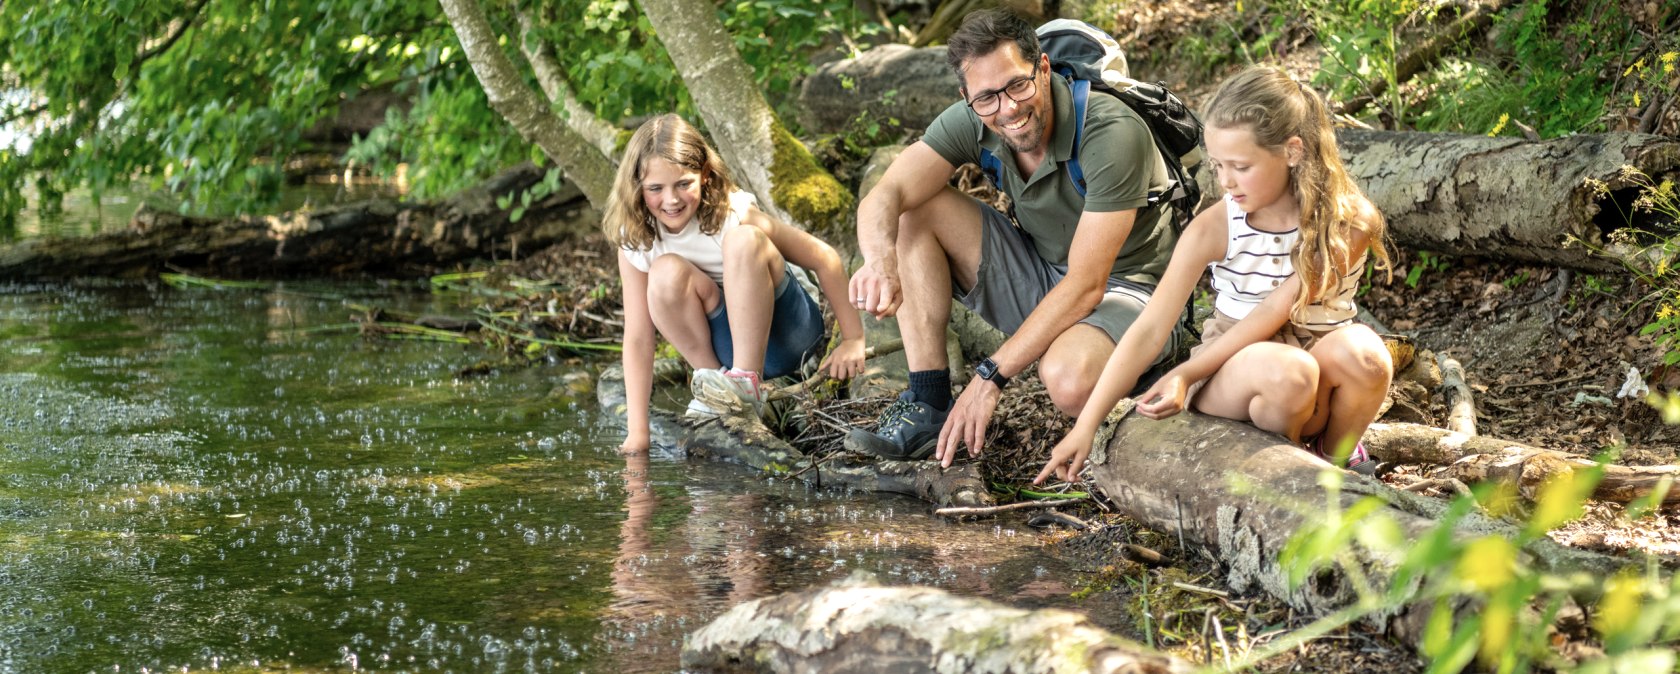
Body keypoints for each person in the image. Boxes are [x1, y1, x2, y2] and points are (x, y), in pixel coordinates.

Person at [847, 9, 1188, 466]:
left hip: (1131, 291)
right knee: (913, 212)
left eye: (1017, 85)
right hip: (1047, 274)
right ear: (966, 97)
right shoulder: (975, 116)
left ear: (1043, 69)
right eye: (986, 97)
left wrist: (989, 377)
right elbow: (886, 193)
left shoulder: (1110, 131)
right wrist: (878, 261)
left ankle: (1147, 367)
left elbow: (1088, 284)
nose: (1007, 108)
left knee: (1067, 379)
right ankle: (927, 403)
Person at [1035, 66, 1395, 485]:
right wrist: (1087, 424)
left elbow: (1279, 309)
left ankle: (1335, 463)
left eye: (1240, 166)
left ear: (1292, 151)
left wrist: (1180, 374)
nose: (1225, 182)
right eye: (1217, 165)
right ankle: (1285, 468)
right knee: (1291, 374)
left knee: (1365, 354)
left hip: (1315, 364)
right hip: (1235, 368)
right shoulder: (1216, 226)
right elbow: (1150, 327)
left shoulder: (1348, 222)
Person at [608, 114, 866, 453]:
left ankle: (746, 385)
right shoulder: (636, 240)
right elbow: (639, 336)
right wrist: (638, 432)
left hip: (790, 334)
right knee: (665, 272)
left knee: (743, 240)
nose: (671, 200)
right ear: (637, 188)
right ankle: (715, 385)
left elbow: (824, 257)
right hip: (723, 344)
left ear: (704, 174)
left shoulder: (732, 213)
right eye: (656, 189)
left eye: (683, 184)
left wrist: (853, 338)